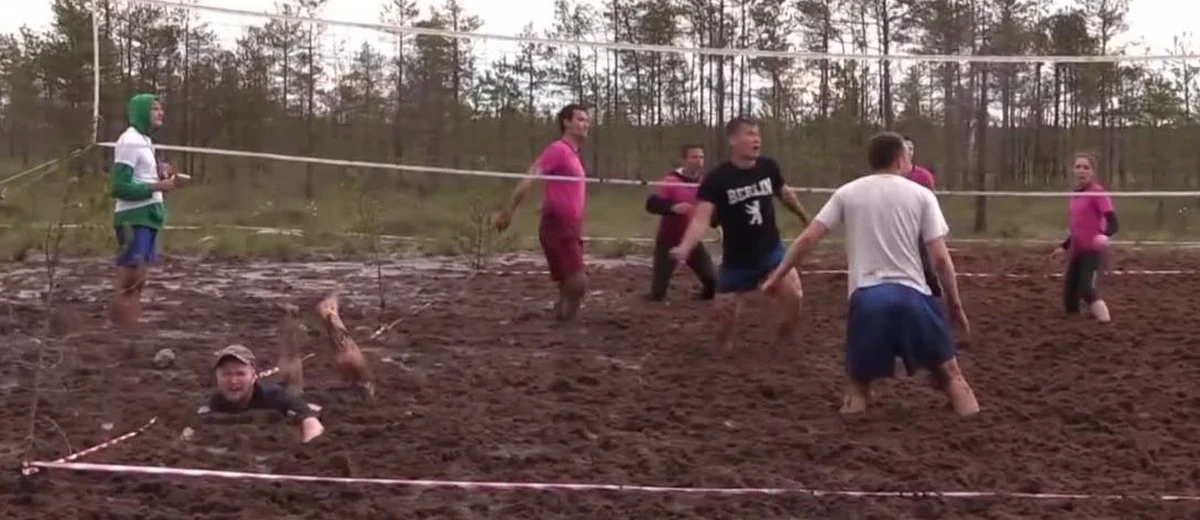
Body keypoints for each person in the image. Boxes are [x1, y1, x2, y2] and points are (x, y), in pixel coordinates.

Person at [761, 131, 979, 416]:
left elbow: (807, 240)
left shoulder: (848, 192)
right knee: (952, 377)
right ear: (901, 160)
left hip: (867, 300)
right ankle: (971, 430)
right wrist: (954, 304)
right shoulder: (922, 195)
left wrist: (776, 277)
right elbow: (940, 258)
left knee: (857, 387)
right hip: (913, 298)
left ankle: (852, 433)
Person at [671, 116, 810, 352]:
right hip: (737, 260)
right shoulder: (717, 179)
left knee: (794, 295)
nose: (756, 139)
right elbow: (701, 217)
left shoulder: (768, 167)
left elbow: (785, 194)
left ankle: (783, 342)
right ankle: (722, 351)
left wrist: (805, 217)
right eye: (749, 134)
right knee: (723, 320)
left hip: (770, 251)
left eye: (758, 134)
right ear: (733, 140)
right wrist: (685, 247)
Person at [494, 104, 591, 322]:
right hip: (558, 225)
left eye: (587, 120)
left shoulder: (574, 155)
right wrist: (508, 211)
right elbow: (530, 177)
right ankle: (567, 328)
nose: (585, 124)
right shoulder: (558, 150)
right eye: (580, 119)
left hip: (571, 226)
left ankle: (562, 322)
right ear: (566, 122)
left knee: (569, 282)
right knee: (577, 283)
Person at [109, 93, 186, 327]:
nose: (160, 113)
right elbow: (119, 186)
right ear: (141, 111)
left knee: (140, 279)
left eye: (161, 108)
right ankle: (122, 329)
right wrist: (157, 185)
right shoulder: (129, 140)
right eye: (154, 109)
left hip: (149, 215)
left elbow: (139, 177)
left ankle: (131, 325)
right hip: (133, 217)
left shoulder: (146, 141)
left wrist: (160, 174)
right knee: (129, 279)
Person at [199, 344, 326, 444]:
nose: (233, 381)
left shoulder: (275, 396)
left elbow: (310, 421)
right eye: (226, 374)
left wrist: (307, 448)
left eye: (240, 374)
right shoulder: (210, 403)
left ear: (253, 377)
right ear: (216, 377)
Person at [643, 144, 717, 301]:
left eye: (701, 157)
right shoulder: (671, 180)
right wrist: (673, 207)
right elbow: (651, 204)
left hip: (692, 240)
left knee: (713, 283)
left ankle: (699, 304)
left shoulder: (706, 182)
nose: (698, 161)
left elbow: (712, 209)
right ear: (684, 160)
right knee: (657, 294)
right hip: (668, 240)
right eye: (694, 157)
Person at [1050, 152, 1117, 323]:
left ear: (1092, 172)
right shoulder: (1075, 194)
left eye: (1086, 167)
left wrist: (1103, 236)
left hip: (1093, 252)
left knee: (1088, 291)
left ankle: (1106, 324)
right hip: (1077, 251)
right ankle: (1076, 332)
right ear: (1073, 170)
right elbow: (1078, 229)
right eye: (1078, 167)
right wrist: (1063, 247)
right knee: (1070, 299)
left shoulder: (1098, 192)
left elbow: (1113, 222)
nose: (1081, 170)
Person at [902, 135, 941, 298]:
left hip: (918, 227)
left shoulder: (923, 176)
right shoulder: (888, 177)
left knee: (926, 263)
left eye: (911, 148)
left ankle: (934, 292)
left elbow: (930, 204)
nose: (908, 152)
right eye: (905, 148)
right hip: (896, 226)